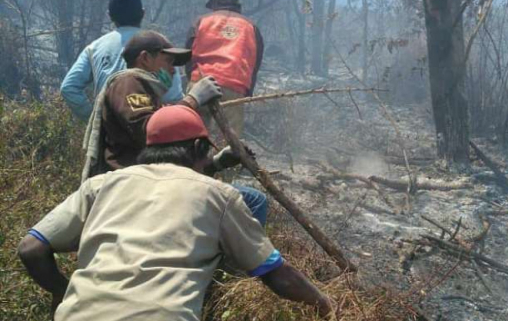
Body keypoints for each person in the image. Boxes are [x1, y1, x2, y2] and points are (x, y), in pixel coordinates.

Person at [17, 105, 333, 321]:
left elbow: (31, 248)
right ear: (198, 147)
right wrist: (326, 305)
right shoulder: (219, 196)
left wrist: (63, 291)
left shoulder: (101, 185)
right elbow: (277, 276)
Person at [81, 29, 268, 226]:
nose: (173, 70)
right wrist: (192, 100)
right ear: (144, 58)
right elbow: (150, 132)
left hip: (154, 182)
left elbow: (167, 156)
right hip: (137, 185)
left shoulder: (149, 93)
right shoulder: (129, 82)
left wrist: (216, 163)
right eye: (168, 62)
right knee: (253, 201)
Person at [60, 0, 184, 121]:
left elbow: (68, 87)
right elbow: (174, 99)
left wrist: (95, 119)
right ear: (143, 13)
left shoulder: (94, 48)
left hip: (108, 136)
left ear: (110, 16)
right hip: (149, 131)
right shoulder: (159, 46)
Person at [186, 0, 264, 143]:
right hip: (234, 87)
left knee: (192, 136)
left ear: (214, 2)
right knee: (228, 143)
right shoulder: (251, 27)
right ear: (236, 3)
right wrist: (246, 92)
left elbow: (188, 56)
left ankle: (192, 167)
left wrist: (192, 82)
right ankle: (223, 168)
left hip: (200, 84)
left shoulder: (201, 21)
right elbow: (254, 64)